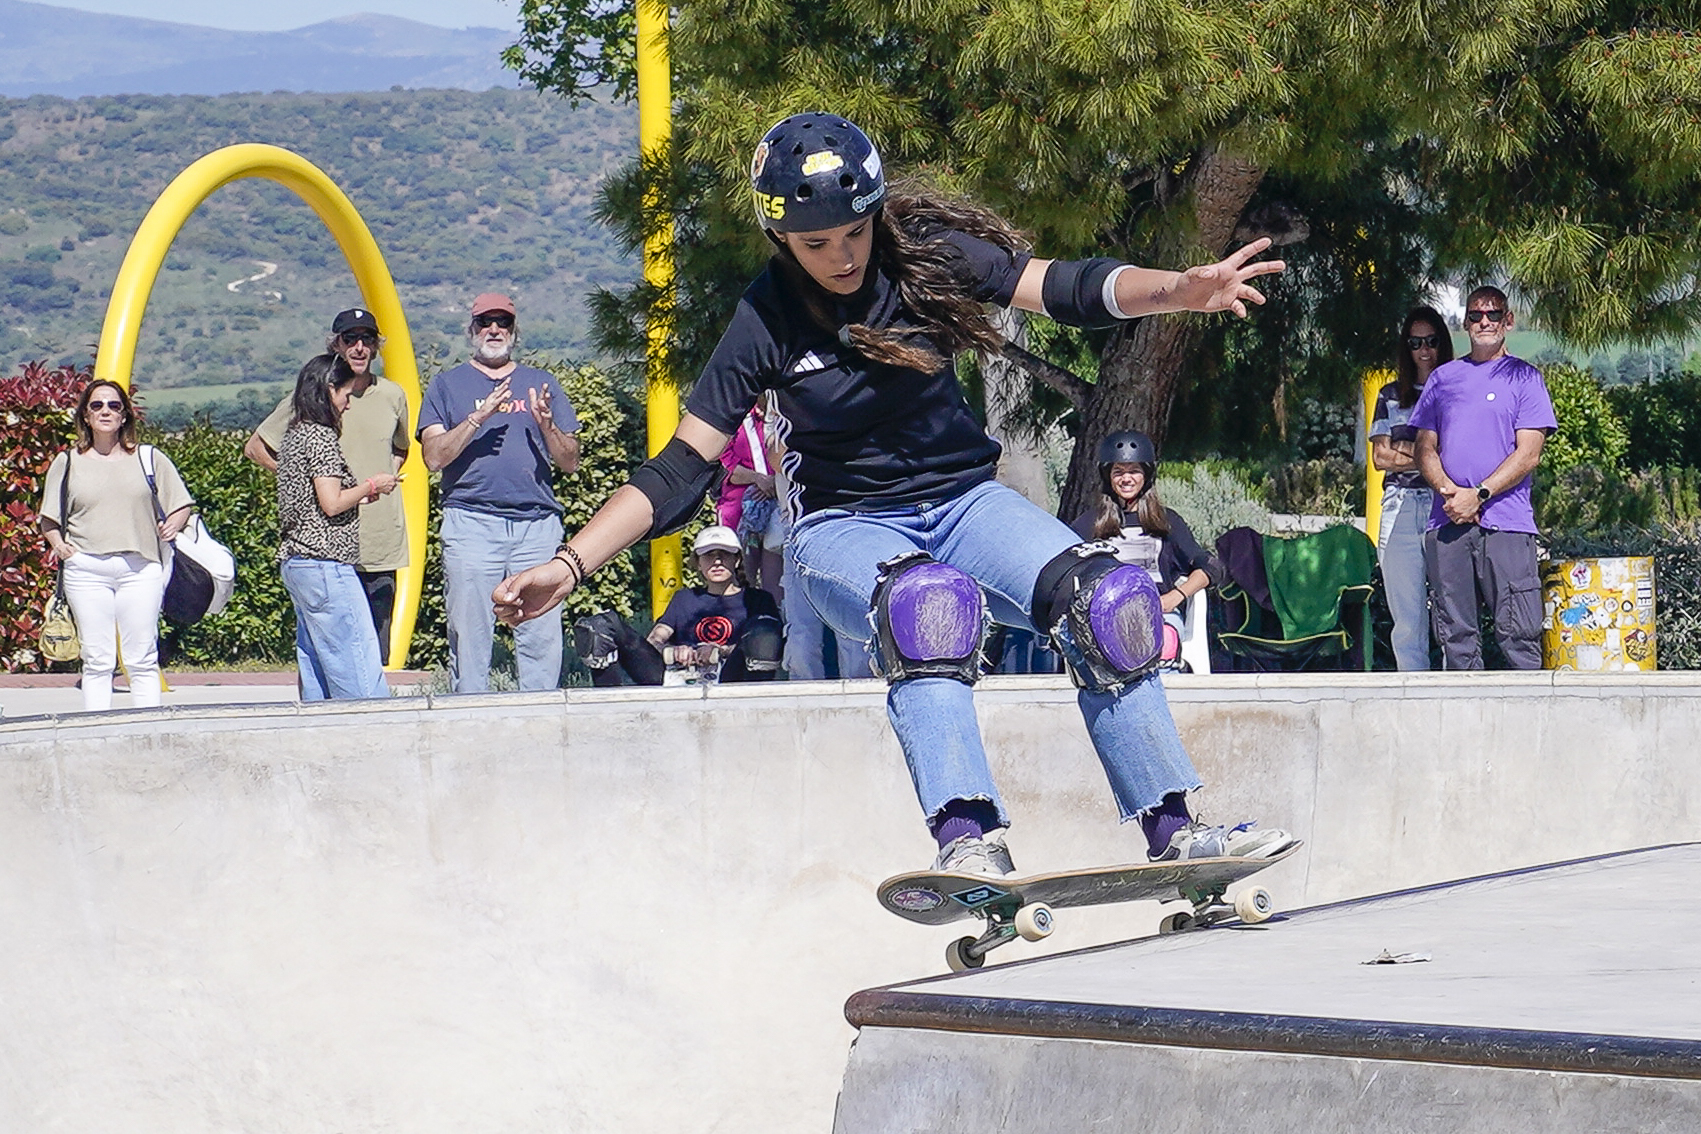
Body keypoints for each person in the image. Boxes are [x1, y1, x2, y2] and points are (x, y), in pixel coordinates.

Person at [493, 112, 1296, 876]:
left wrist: (1177, 289)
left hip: (967, 504)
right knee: (926, 606)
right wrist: (568, 566)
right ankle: (966, 841)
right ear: (780, 238)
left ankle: (1174, 833)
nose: (841, 256)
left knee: (1107, 600)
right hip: (843, 530)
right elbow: (679, 470)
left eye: (854, 231)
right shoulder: (765, 318)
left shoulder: (926, 254)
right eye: (815, 244)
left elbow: (1063, 286)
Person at [418, 293, 581, 693]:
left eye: (503, 322)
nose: (494, 329)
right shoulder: (447, 385)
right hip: (471, 524)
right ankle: (469, 714)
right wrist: (478, 417)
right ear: (472, 330)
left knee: (541, 635)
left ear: (514, 330)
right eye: (485, 322)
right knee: (470, 634)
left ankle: (538, 716)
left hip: (536, 527)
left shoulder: (542, 384)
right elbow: (433, 457)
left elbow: (570, 461)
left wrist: (547, 426)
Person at [245, 308, 411, 663]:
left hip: (380, 541)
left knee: (374, 655)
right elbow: (256, 447)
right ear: (335, 344)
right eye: (350, 339)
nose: (359, 347)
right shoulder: (312, 397)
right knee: (331, 653)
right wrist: (305, 484)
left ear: (377, 346)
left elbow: (401, 448)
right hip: (326, 547)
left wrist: (382, 481)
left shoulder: (393, 395)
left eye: (367, 339)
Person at [1411, 287, 1557, 670]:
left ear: (1508, 320)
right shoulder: (1442, 378)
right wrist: (1452, 494)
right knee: (1455, 640)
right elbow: (1424, 447)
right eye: (1476, 315)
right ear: (1465, 322)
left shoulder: (1525, 378)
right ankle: (1465, 711)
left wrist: (1479, 494)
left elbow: (1529, 453)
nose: (1485, 322)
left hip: (1507, 524)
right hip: (1447, 522)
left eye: (1493, 314)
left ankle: (1528, 709)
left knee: (1519, 635)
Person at [39, 381, 193, 711]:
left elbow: (181, 504)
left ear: (124, 415)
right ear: (85, 415)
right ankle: (96, 732)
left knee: (142, 657)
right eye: (97, 405)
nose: (105, 411)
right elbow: (49, 518)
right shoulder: (67, 462)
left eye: (114, 405)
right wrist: (60, 547)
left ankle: (148, 729)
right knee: (97, 659)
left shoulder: (149, 458)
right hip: (86, 569)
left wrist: (173, 525)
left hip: (140, 567)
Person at [276, 354, 400, 700]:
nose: (348, 404)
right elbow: (331, 502)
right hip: (325, 563)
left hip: (298, 561)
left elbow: (312, 500)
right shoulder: (321, 437)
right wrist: (371, 485)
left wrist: (356, 496)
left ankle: (320, 724)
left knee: (315, 659)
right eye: (346, 394)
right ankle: (368, 723)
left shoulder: (295, 434)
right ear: (330, 390)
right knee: (356, 655)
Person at [1069, 431, 1216, 669]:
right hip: (1106, 618)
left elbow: (1210, 567)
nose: (1126, 478)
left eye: (1134, 471)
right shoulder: (1089, 524)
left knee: (1163, 641)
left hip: (1158, 614)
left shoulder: (1167, 522)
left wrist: (1175, 596)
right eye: (1118, 471)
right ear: (1108, 476)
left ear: (1146, 475)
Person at [573, 526, 782, 685]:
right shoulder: (684, 598)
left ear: (736, 560)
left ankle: (757, 709)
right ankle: (610, 711)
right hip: (675, 677)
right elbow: (655, 640)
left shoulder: (758, 599)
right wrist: (674, 651)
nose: (717, 562)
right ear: (698, 562)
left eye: (724, 554)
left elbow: (767, 644)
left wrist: (720, 651)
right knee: (600, 626)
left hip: (732, 677)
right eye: (709, 555)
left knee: (765, 631)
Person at [1368, 306, 1454, 671]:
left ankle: (1456, 686)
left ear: (1442, 343)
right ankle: (1413, 686)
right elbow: (1380, 457)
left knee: (1453, 610)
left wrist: (1406, 450)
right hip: (1399, 504)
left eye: (1431, 341)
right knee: (1406, 618)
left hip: (1444, 503)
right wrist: (1430, 455)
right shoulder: (1390, 395)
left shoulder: (1455, 391)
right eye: (1416, 342)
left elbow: (1459, 455)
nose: (1424, 350)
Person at [718, 398, 784, 600]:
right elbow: (724, 464)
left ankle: (772, 616)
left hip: (778, 508)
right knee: (740, 581)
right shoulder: (731, 417)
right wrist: (758, 479)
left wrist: (777, 483)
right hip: (738, 512)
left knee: (775, 586)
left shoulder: (783, 416)